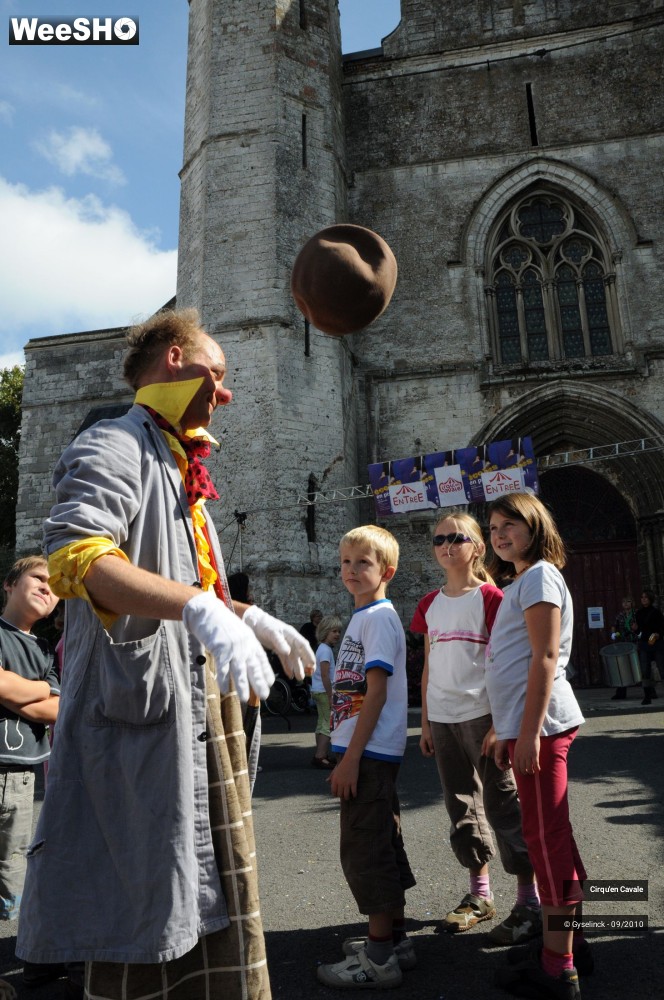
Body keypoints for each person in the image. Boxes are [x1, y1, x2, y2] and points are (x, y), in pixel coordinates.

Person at [16, 308, 314, 1000]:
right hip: (145, 722)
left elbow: (186, 586)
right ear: (174, 360)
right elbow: (78, 559)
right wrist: (199, 607)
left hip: (204, 716)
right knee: (145, 917)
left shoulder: (186, 478)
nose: (228, 392)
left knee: (217, 903)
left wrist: (247, 613)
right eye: (219, 372)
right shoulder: (112, 445)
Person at [411, 513, 540, 945]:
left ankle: (530, 899)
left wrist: (502, 722)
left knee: (503, 804)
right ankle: (479, 895)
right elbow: (428, 667)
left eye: (457, 537)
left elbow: (503, 664)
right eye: (439, 539)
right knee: (460, 805)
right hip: (443, 718)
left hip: (483, 716)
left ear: (477, 546)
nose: (446, 545)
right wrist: (426, 722)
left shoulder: (492, 597)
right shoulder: (429, 604)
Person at [485, 494, 588, 1000]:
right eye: (493, 527)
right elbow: (510, 661)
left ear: (535, 527)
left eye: (510, 524)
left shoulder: (541, 575)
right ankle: (574, 940)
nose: (499, 534)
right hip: (527, 727)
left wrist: (526, 734)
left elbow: (544, 658)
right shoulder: (520, 581)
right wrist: (507, 731)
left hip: (543, 727)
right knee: (549, 836)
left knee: (547, 844)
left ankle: (558, 966)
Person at [317, 526, 415, 990]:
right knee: (381, 839)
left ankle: (378, 958)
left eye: (364, 563)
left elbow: (375, 693)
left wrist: (349, 759)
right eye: (345, 562)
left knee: (365, 849)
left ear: (387, 571)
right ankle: (394, 938)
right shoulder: (365, 615)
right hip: (368, 749)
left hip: (369, 752)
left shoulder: (377, 618)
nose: (351, 570)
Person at [0, 557, 60, 925]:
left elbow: (57, 709)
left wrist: (14, 688)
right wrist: (40, 689)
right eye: (38, 578)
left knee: (12, 867)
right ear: (9, 584)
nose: (46, 588)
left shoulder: (44, 650)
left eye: (53, 588)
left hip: (22, 776)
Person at [311, 615, 342, 769]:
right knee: (327, 725)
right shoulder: (325, 650)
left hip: (319, 690)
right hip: (324, 692)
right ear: (325, 632)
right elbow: (324, 675)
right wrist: (331, 696)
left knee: (321, 723)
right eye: (333, 631)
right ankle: (320, 756)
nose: (337, 634)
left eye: (338, 631)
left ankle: (320, 753)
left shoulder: (323, 649)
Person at [634, 589, 663, 705]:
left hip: (657, 644)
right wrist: (636, 630)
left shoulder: (656, 612)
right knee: (645, 671)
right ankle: (647, 696)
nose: (643, 599)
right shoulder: (638, 613)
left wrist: (658, 634)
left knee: (662, 668)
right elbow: (639, 632)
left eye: (646, 597)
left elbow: (662, 627)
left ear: (650, 599)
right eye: (642, 597)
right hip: (645, 644)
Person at [609, 595, 637, 700]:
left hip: (635, 642)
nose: (625, 604)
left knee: (639, 666)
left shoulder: (636, 614)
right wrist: (613, 634)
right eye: (624, 602)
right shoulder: (620, 615)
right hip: (623, 643)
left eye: (628, 601)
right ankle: (620, 692)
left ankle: (649, 691)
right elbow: (614, 626)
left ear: (632, 603)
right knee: (622, 667)